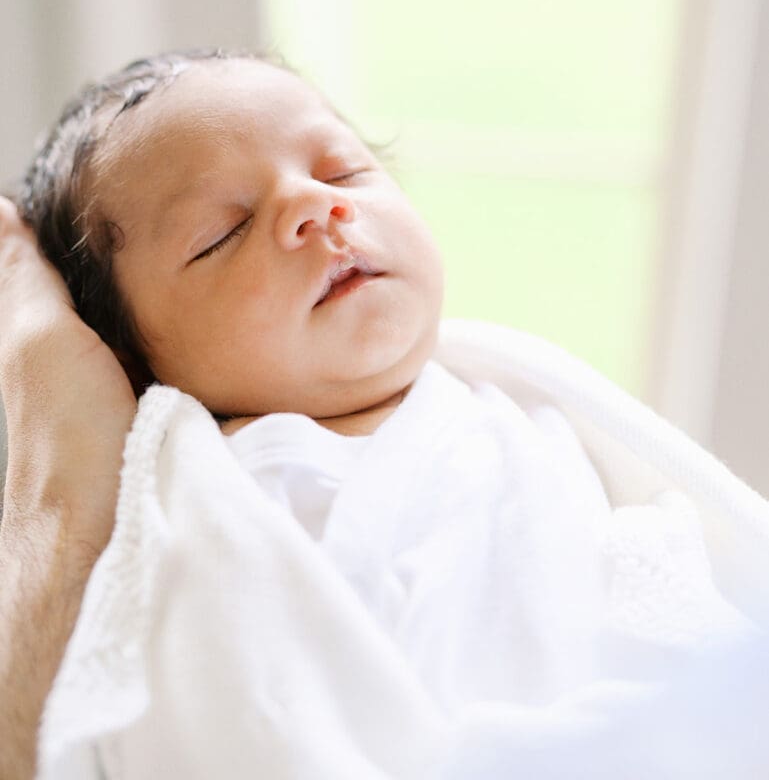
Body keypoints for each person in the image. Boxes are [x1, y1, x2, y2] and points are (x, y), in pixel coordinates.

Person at [1, 50, 767, 779]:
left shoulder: (511, 399)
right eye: (221, 235)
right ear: (132, 359)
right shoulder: (223, 504)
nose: (316, 204)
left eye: (343, 169)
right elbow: (256, 717)